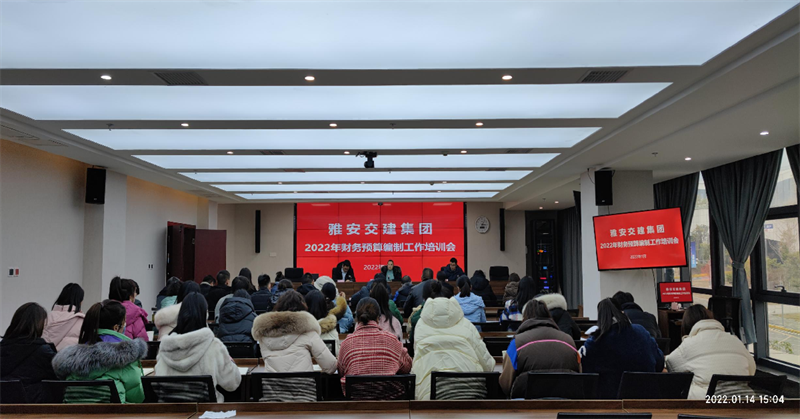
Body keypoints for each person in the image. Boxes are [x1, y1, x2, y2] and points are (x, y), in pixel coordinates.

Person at [52, 300, 147, 403]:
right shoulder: (125, 357)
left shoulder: (71, 360)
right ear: (116, 327)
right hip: (113, 411)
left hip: (73, 412)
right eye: (124, 322)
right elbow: (138, 397)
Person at [411, 281, 495, 400]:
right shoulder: (466, 324)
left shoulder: (420, 326)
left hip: (429, 394)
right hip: (471, 392)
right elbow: (488, 365)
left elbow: (417, 357)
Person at [155, 293, 241, 402]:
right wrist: (230, 361)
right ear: (204, 315)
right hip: (207, 410)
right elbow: (232, 383)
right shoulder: (213, 345)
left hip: (172, 410)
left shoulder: (166, 347)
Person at [665, 305, 756, 399]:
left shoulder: (688, 345)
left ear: (686, 326)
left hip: (708, 401)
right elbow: (752, 369)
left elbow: (671, 364)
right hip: (743, 399)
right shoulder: (735, 340)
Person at [581, 298, 664, 399]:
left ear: (600, 318)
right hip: (647, 398)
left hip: (610, 402)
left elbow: (587, 374)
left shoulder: (594, 342)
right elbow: (659, 361)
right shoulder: (641, 332)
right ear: (622, 312)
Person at [499, 300, 580, 398]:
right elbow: (579, 374)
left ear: (524, 318)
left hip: (526, 404)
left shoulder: (517, 343)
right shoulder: (569, 341)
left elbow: (505, 384)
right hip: (566, 401)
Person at [337, 298, 413, 397]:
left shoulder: (346, 344)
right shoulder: (392, 340)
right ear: (378, 318)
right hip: (391, 402)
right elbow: (407, 366)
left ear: (357, 319)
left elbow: (341, 371)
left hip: (357, 402)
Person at [252, 290, 337, 373]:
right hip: (303, 382)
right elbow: (331, 366)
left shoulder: (264, 335)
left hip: (271, 383)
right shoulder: (309, 333)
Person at [0, 303, 57, 403]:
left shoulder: (3, 348)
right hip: (35, 406)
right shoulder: (43, 351)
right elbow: (57, 378)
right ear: (38, 325)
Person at [43, 283, 85, 351]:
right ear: (80, 301)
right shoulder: (82, 320)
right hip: (68, 357)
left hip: (45, 356)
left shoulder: (46, 317)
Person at [110, 277, 149, 341]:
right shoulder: (135, 313)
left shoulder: (105, 310)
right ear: (130, 296)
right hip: (127, 346)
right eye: (135, 292)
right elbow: (142, 340)